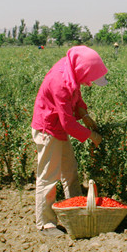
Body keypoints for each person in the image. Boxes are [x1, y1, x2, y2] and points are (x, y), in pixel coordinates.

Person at [31, 46, 108, 236]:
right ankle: (45, 223)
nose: (89, 83)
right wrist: (92, 136)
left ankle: (75, 210)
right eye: (89, 78)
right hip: (48, 130)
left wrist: (85, 113)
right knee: (49, 177)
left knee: (69, 170)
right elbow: (67, 123)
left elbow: (76, 95)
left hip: (58, 128)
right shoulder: (60, 81)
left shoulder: (71, 71)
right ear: (83, 70)